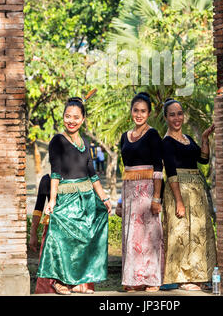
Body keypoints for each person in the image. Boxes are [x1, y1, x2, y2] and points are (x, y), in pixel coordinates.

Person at [36, 97, 112, 295]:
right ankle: (59, 282)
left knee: (85, 240)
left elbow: (92, 173)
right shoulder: (57, 141)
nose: (71, 120)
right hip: (66, 197)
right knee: (60, 239)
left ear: (83, 119)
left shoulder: (85, 143)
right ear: (63, 117)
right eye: (67, 116)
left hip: (86, 197)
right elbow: (56, 172)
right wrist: (52, 200)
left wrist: (104, 198)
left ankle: (78, 282)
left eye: (76, 117)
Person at [162, 98, 217, 291]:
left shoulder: (187, 139)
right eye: (172, 114)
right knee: (181, 233)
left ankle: (200, 276)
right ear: (166, 118)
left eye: (179, 113)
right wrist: (178, 201)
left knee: (198, 233)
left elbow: (202, 159)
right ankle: (184, 279)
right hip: (179, 192)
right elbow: (171, 172)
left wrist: (203, 139)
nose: (177, 118)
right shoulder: (166, 143)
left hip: (196, 192)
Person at [120, 92, 164, 292]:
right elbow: (125, 172)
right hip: (129, 193)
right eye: (136, 110)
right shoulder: (124, 137)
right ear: (131, 112)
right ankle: (132, 280)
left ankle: (151, 279)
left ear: (149, 113)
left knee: (148, 238)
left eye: (143, 111)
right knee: (131, 237)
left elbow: (158, 168)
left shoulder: (153, 134)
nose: (139, 114)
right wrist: (121, 201)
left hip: (147, 193)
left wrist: (156, 198)